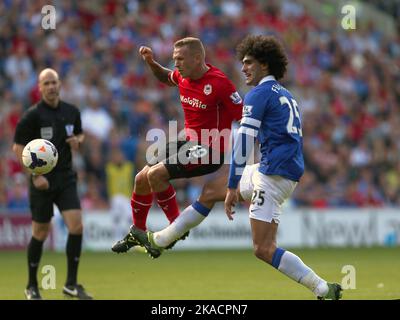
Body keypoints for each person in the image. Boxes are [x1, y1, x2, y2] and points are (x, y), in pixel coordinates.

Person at [223, 35, 342, 300]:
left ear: (264, 65)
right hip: (276, 170)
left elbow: (244, 140)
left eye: (249, 62)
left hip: (273, 175)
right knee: (211, 191)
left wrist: (232, 185)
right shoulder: (287, 95)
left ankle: (323, 288)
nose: (243, 68)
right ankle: (166, 237)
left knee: (263, 248)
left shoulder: (259, 94)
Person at [112, 37, 243, 254]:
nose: (177, 64)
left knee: (155, 175)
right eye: (174, 59)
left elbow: (244, 116)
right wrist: (151, 63)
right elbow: (166, 76)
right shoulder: (183, 76)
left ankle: (176, 227)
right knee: (141, 179)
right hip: (188, 139)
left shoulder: (219, 83)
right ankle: (137, 231)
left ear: (197, 58)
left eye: (180, 59)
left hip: (210, 150)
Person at [13, 68, 92, 300]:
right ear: (39, 87)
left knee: (76, 226)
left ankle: (71, 284)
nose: (51, 86)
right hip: (42, 181)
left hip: (66, 177)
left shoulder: (72, 111)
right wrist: (34, 175)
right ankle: (31, 285)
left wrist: (77, 140)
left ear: (60, 84)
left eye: (54, 82)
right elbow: (18, 148)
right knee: (40, 232)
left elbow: (80, 135)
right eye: (46, 83)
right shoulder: (32, 116)